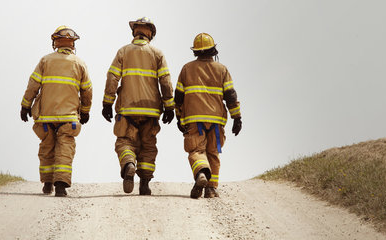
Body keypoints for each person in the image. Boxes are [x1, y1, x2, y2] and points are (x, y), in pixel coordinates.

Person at [102, 17, 175, 195]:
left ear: (135, 32)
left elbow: (112, 78)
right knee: (148, 146)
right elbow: (165, 81)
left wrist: (107, 102)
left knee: (125, 141)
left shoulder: (123, 51)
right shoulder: (157, 53)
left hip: (127, 110)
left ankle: (128, 163)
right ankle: (144, 184)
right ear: (150, 33)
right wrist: (169, 106)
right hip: (151, 111)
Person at [20, 25, 92, 197]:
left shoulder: (45, 61)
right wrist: (86, 110)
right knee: (65, 149)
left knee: (47, 148)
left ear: (55, 42)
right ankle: (60, 185)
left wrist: (25, 105)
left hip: (46, 118)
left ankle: (47, 183)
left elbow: (33, 85)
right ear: (72, 44)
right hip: (69, 118)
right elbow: (87, 90)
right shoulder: (80, 63)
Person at [174, 33, 242, 199]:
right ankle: (211, 189)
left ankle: (201, 173)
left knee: (196, 150)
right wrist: (237, 117)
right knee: (213, 153)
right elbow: (231, 96)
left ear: (196, 51)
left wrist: (178, 117)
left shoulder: (186, 69)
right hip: (216, 121)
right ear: (213, 50)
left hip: (193, 119)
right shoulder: (222, 70)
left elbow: (178, 97)